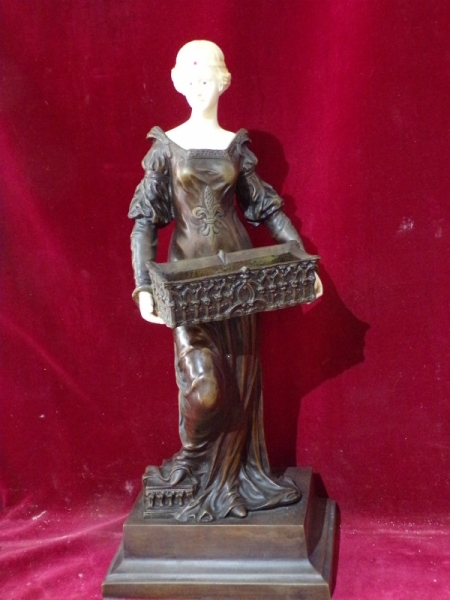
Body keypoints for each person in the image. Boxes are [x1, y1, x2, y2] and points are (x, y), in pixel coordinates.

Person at [129, 40, 323, 522]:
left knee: (238, 385)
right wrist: (144, 286)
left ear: (223, 82)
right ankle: (193, 461)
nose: (198, 87)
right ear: (177, 83)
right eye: (190, 79)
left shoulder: (236, 148)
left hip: (239, 285)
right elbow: (144, 223)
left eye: (206, 78)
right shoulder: (166, 148)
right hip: (187, 288)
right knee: (206, 390)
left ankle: (232, 479)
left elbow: (268, 210)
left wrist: (304, 262)